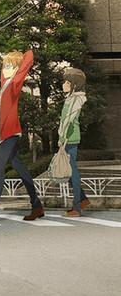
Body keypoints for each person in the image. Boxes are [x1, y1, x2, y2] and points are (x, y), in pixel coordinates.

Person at [0, 49, 44, 223]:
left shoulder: (14, 84)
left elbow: (29, 57)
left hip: (11, 132)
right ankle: (37, 206)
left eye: (9, 66)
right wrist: (9, 63)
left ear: (17, 69)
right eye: (4, 65)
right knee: (18, 166)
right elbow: (3, 75)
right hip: (6, 133)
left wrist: (19, 60)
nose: (5, 69)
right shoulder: (5, 85)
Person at [58, 67, 90, 217]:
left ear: (74, 85)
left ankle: (77, 207)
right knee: (70, 170)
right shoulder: (71, 99)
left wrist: (62, 138)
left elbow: (69, 120)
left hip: (69, 138)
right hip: (69, 137)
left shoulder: (76, 99)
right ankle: (82, 200)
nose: (63, 84)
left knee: (71, 171)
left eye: (67, 82)